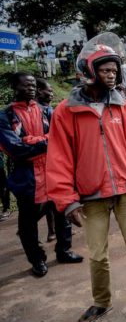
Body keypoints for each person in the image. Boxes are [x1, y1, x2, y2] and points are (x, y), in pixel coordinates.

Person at [47, 42, 126, 322]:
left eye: (114, 70)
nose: (112, 75)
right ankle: (101, 302)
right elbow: (59, 157)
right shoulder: (66, 111)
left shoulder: (122, 106)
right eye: (106, 70)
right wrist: (67, 199)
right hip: (91, 196)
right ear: (90, 71)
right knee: (97, 254)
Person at [0, 72, 83, 277]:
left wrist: (31, 140)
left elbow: (62, 137)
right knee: (28, 223)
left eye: (33, 85)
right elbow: (16, 148)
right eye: (25, 85)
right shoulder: (6, 115)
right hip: (26, 177)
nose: (31, 89)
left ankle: (64, 251)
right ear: (15, 87)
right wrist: (46, 141)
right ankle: (37, 259)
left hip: (53, 172)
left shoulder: (47, 111)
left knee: (62, 214)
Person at [35, 78, 57, 241]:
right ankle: (28, 224)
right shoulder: (39, 111)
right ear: (38, 91)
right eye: (48, 90)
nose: (51, 93)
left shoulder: (48, 109)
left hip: (51, 158)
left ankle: (53, 231)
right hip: (43, 160)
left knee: (51, 199)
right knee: (49, 199)